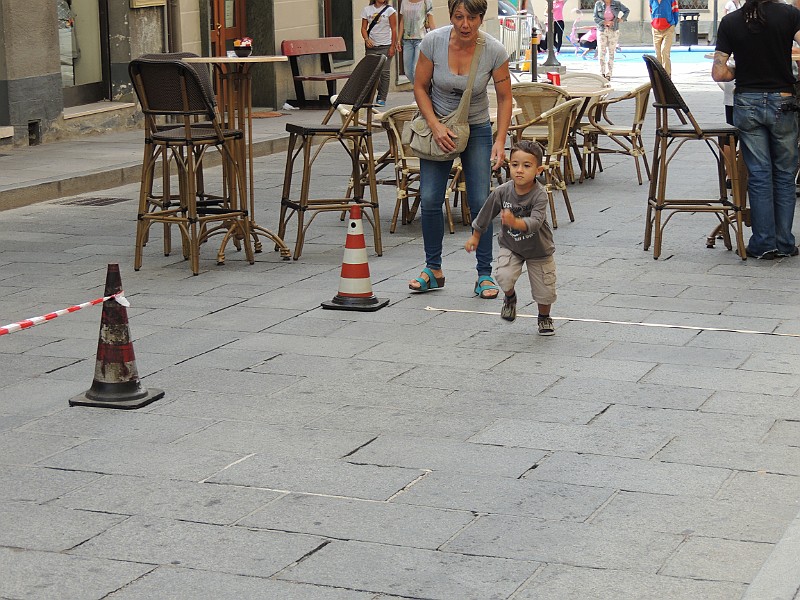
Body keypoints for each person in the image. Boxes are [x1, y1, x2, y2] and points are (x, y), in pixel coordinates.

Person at [408, 0, 513, 297]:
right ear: (450, 15)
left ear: (481, 18)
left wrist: (500, 140)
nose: (465, 24)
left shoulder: (493, 50)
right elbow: (419, 86)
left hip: (476, 127)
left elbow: (506, 98)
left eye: (472, 17)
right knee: (429, 198)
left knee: (481, 201)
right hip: (437, 125)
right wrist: (435, 125)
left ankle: (484, 274)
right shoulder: (433, 42)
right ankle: (433, 269)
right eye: (459, 17)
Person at [712, 0, 800, 259]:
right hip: (783, 100)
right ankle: (785, 242)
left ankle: (763, 243)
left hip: (748, 101)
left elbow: (719, 73)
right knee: (785, 174)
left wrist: (741, 69)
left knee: (759, 175)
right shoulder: (789, 15)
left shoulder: (731, 21)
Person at [464, 141, 556, 336]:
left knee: (545, 290)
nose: (519, 170)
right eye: (515, 165)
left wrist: (515, 222)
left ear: (538, 169)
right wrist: (475, 237)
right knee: (503, 276)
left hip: (539, 249)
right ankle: (510, 298)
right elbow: (484, 215)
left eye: (526, 166)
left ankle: (544, 317)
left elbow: (536, 222)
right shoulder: (502, 192)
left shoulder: (540, 195)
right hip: (511, 245)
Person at [361, 0, 398, 106]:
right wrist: (366, 39)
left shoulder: (390, 10)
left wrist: (392, 46)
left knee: (384, 72)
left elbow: (394, 29)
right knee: (371, 72)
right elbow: (363, 28)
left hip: (385, 45)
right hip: (371, 46)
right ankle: (372, 95)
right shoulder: (367, 10)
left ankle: (382, 97)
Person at [398, 0, 435, 85]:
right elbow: (402, 21)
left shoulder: (426, 2)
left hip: (421, 39)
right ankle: (422, 90)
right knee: (407, 71)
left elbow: (431, 21)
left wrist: (435, 38)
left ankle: (419, 94)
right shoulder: (404, 2)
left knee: (416, 70)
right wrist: (398, 39)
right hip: (407, 40)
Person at [593, 0, 629, 80]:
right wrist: (604, 22)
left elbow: (626, 10)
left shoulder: (617, 3)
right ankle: (602, 73)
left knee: (611, 52)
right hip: (602, 30)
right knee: (601, 52)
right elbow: (595, 17)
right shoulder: (598, 4)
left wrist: (622, 19)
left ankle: (609, 73)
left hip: (613, 30)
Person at [649, 0, 679, 77]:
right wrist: (654, 22)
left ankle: (667, 76)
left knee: (664, 51)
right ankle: (659, 77)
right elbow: (651, 11)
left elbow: (675, 11)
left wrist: (673, 24)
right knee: (658, 54)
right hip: (656, 29)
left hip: (668, 28)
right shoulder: (652, 1)